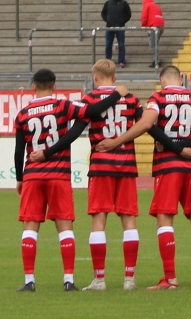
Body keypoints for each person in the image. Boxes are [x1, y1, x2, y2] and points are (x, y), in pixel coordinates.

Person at [99, 66, 191, 289]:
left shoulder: (158, 97)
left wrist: (117, 141)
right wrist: (185, 146)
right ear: (181, 79)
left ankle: (170, 278)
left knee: (164, 219)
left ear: (162, 80)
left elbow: (146, 124)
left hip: (167, 166)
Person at [13, 69, 117, 292]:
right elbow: (93, 110)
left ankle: (29, 280)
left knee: (30, 227)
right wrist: (118, 94)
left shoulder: (22, 114)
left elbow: (19, 150)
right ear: (55, 86)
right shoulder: (62, 106)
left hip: (32, 176)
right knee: (65, 227)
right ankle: (68, 279)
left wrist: (20, 178)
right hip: (58, 175)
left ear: (33, 87)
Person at [80, 58, 143, 290]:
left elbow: (81, 121)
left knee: (99, 219)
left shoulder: (89, 99)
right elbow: (144, 124)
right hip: (126, 164)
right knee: (129, 219)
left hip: (101, 165)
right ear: (115, 77)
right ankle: (129, 279)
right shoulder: (132, 98)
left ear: (95, 77)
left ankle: (99, 279)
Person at [100, 0, 131, 64]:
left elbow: (128, 14)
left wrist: (122, 21)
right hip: (109, 27)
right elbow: (103, 13)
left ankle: (121, 61)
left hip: (120, 27)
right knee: (108, 44)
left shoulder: (124, 3)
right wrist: (107, 20)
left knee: (121, 45)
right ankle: (108, 60)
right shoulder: (108, 3)